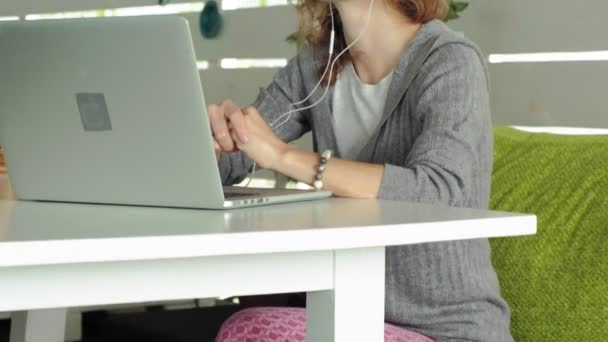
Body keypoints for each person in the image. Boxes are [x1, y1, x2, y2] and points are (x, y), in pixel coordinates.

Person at [207, 0, 513, 340]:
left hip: (446, 332)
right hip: (346, 316)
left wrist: (284, 157)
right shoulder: (316, 66)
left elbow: (441, 192)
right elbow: (237, 158)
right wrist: (214, 143)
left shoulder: (450, 61)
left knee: (250, 331)